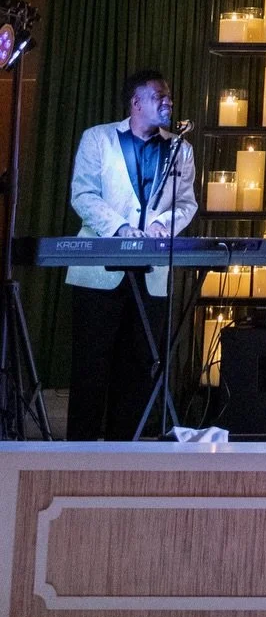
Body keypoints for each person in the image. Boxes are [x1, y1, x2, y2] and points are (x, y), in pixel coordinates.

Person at [65, 69, 197, 440]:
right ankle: (79, 459)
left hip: (151, 274)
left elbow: (186, 203)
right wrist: (121, 229)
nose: (168, 101)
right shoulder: (98, 139)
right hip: (99, 272)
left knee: (139, 369)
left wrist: (163, 226)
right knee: (91, 367)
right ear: (136, 102)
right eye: (159, 96)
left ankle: (126, 455)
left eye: (169, 95)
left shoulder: (180, 149)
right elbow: (84, 195)